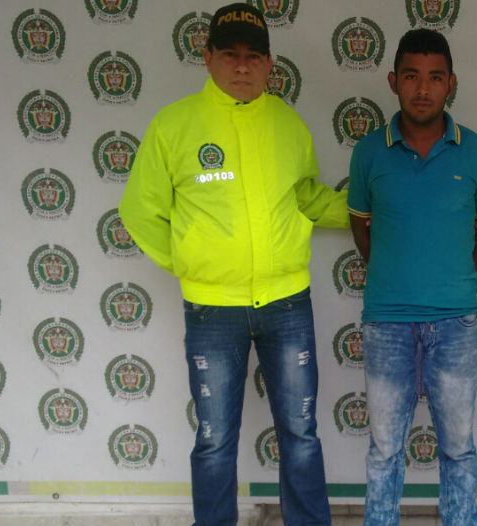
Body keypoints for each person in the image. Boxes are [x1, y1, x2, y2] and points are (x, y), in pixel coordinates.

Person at [118, 4, 347, 525]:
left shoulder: (287, 124)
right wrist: (193, 261)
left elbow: (305, 196)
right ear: (207, 58)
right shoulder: (174, 125)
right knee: (215, 439)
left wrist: (364, 209)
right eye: (229, 54)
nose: (242, 66)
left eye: (253, 56)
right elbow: (140, 211)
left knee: (301, 433)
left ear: (270, 64)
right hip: (212, 310)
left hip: (287, 303)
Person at [347, 29, 477, 526]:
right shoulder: (369, 152)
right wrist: (397, 271)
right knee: (384, 450)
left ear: (451, 84)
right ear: (393, 81)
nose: (423, 88)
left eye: (435, 77)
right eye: (412, 76)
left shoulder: (476, 152)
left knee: (457, 447)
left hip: (455, 322)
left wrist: (450, 271)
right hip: (386, 322)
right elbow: (361, 226)